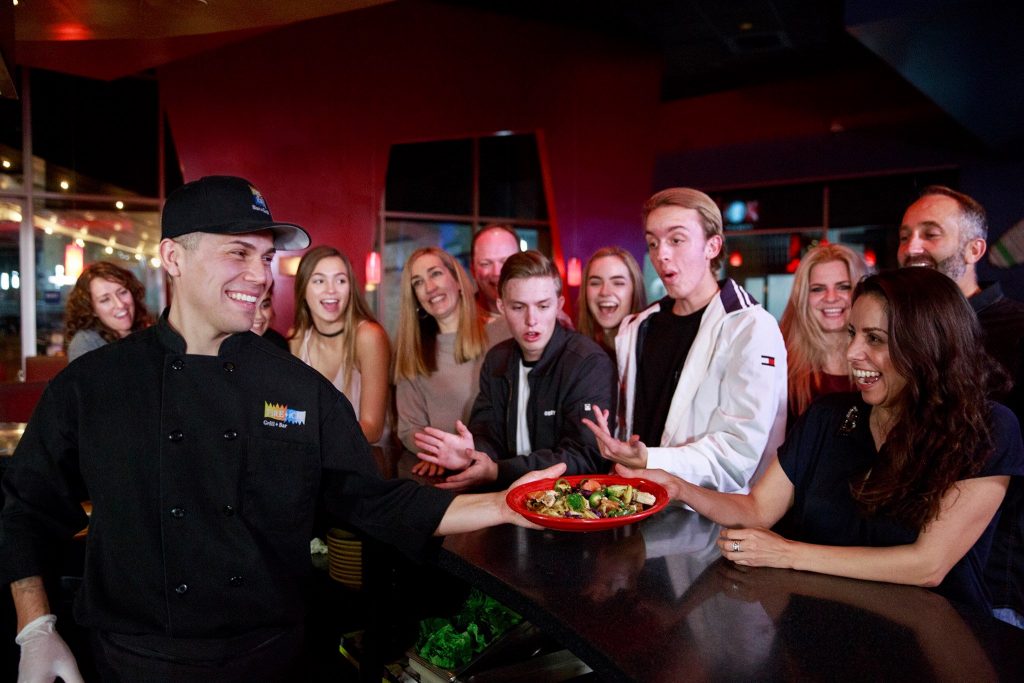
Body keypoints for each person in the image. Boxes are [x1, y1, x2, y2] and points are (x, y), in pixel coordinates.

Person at [0, 175, 561, 682]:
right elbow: (27, 506)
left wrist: (505, 505)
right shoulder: (94, 384)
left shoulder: (296, 387)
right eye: (238, 252)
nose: (259, 276)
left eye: (266, 257)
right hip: (135, 662)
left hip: (276, 660)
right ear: (173, 257)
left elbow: (375, 502)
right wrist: (35, 627)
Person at [614, 268, 1024, 614]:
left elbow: (926, 565)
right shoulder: (830, 417)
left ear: (928, 343)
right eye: (852, 334)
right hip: (825, 630)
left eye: (875, 339)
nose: (852, 353)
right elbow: (757, 510)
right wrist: (677, 484)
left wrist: (787, 554)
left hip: (934, 638)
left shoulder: (988, 429)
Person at [583, 187, 787, 494]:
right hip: (636, 502)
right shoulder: (638, 327)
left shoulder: (750, 327)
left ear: (713, 246)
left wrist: (649, 459)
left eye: (676, 240)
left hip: (707, 517)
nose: (661, 254)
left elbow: (737, 458)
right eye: (653, 242)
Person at [898, 186, 1024, 626]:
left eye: (930, 234)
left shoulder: (1016, 331)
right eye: (905, 235)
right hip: (899, 568)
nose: (911, 247)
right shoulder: (903, 334)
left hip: (991, 582)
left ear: (975, 249)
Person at [415, 250, 616, 491]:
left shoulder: (587, 362)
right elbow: (487, 432)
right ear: (502, 306)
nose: (532, 319)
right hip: (506, 499)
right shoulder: (497, 358)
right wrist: (472, 454)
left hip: (571, 506)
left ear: (559, 305)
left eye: (543, 306)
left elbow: (586, 457)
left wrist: (498, 471)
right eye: (518, 307)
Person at [393, 247, 490, 477]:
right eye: (418, 282)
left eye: (435, 273)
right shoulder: (412, 350)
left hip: (497, 466)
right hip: (442, 472)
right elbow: (409, 427)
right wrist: (439, 453)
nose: (429, 287)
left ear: (457, 279)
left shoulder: (500, 332)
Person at [290, 245, 391, 443]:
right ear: (303, 289)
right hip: (317, 461)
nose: (331, 290)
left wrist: (305, 435)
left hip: (368, 460)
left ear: (350, 289)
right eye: (319, 280)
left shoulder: (369, 336)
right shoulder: (296, 339)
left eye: (341, 280)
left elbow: (372, 428)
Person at [779, 243, 866, 418]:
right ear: (803, 298)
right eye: (818, 289)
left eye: (843, 287)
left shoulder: (885, 362)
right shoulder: (781, 365)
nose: (831, 298)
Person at [63, 261, 153, 361]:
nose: (120, 304)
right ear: (91, 309)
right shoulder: (85, 342)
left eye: (123, 292)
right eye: (105, 300)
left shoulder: (146, 331)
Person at [576, 247, 646, 355]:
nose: (605, 292)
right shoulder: (577, 349)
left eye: (618, 283)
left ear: (635, 290)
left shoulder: (649, 349)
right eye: (595, 283)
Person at [470, 225, 520, 324]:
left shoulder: (542, 318)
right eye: (486, 263)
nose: (497, 273)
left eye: (505, 262)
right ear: (473, 270)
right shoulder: (457, 321)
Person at [249, 281, 289, 351]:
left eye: (265, 305)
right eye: (250, 305)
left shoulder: (278, 345)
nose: (259, 316)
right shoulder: (224, 348)